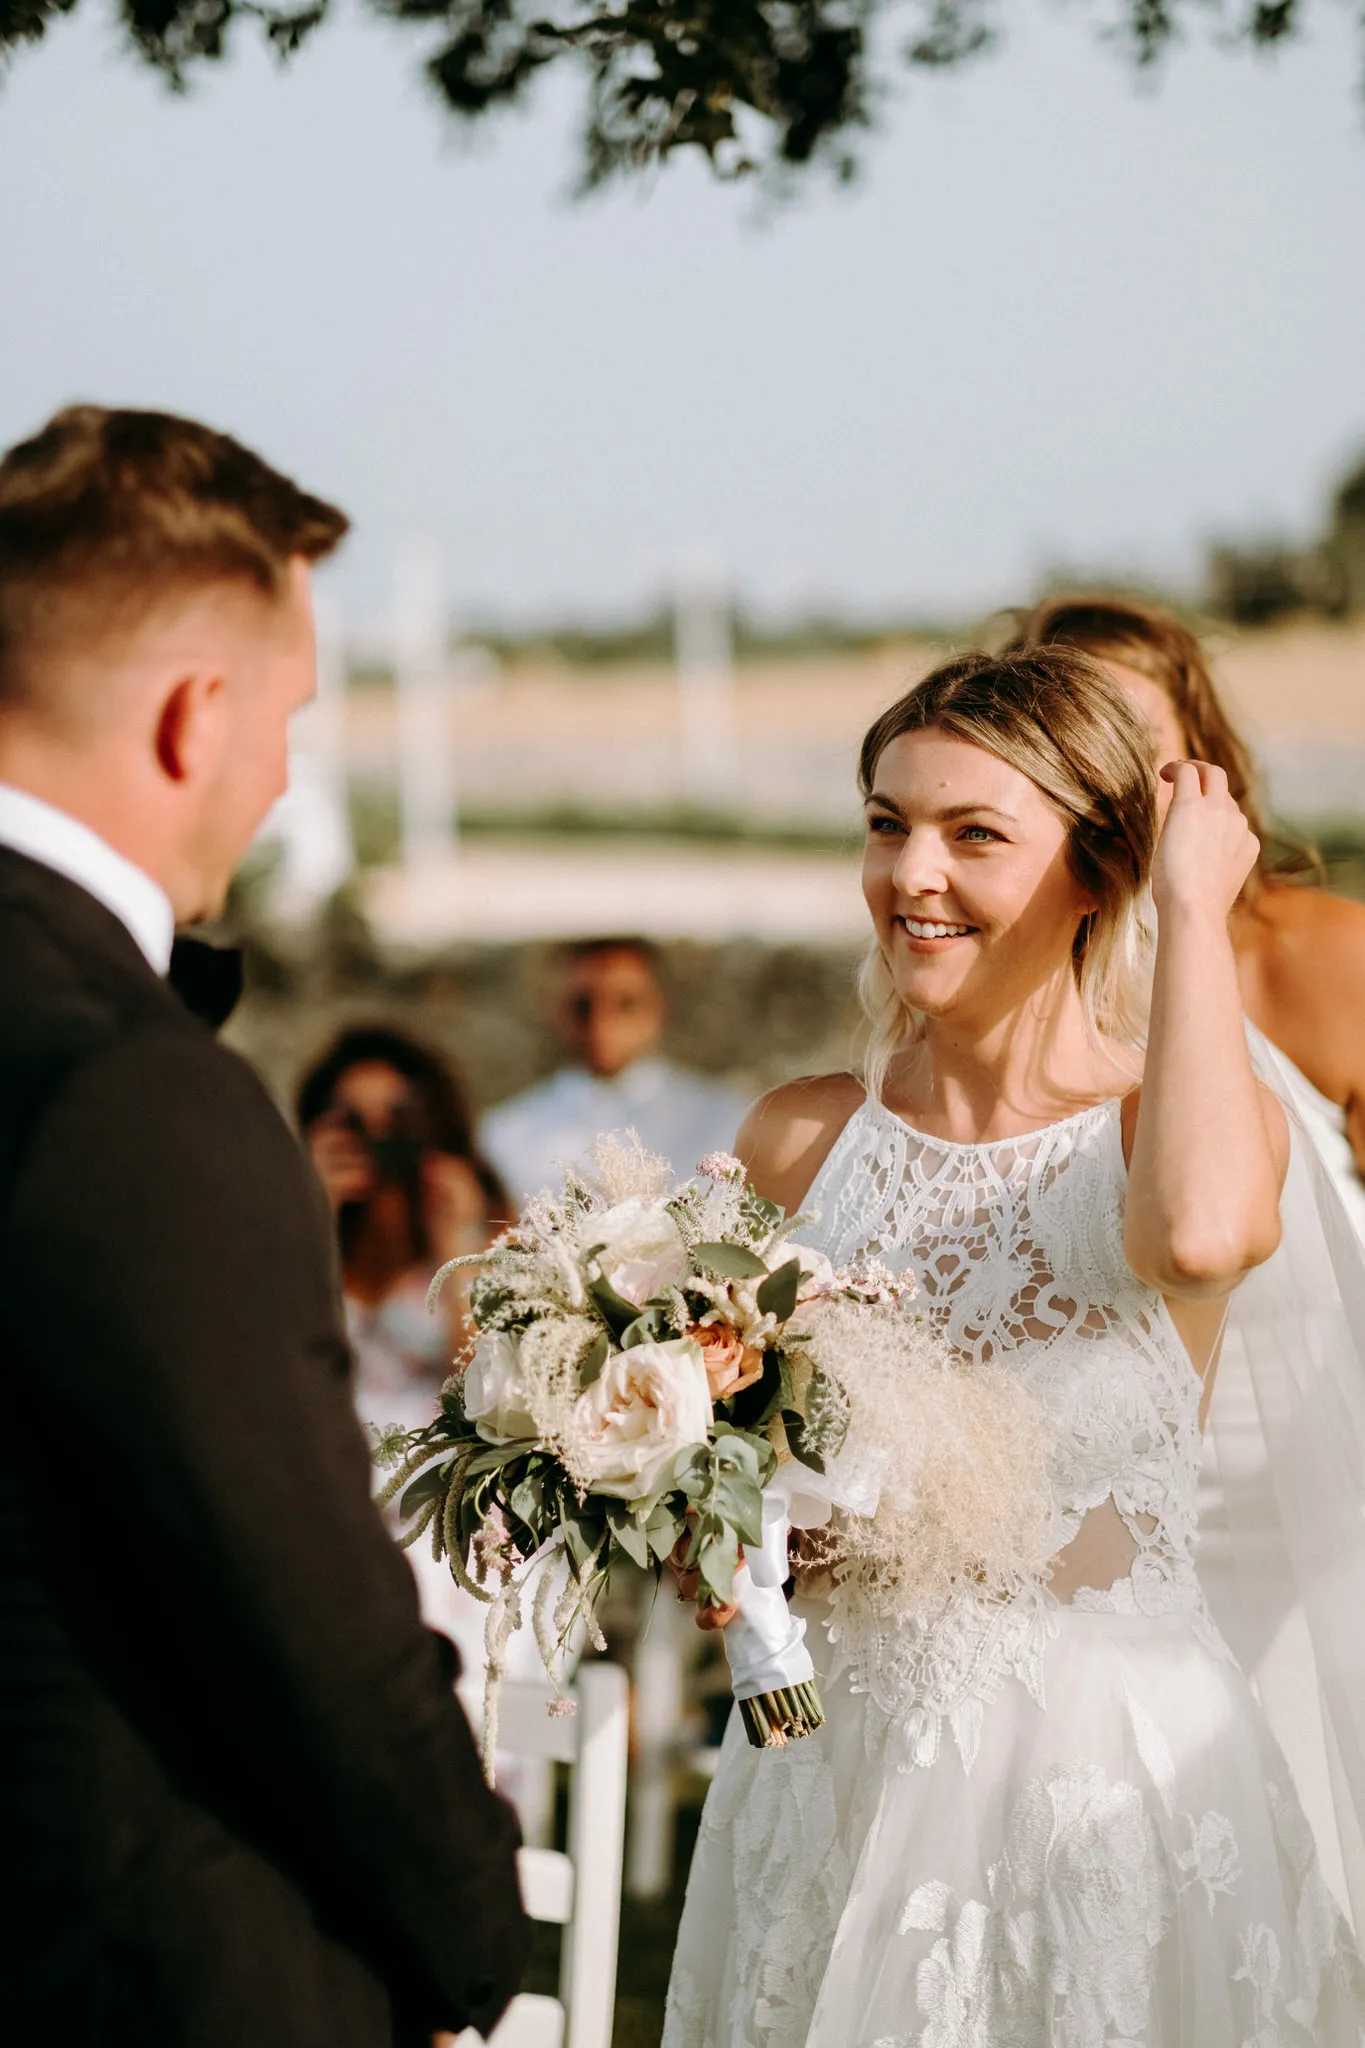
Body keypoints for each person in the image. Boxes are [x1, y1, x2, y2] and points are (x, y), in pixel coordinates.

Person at [664, 649, 1365, 2047]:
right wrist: (713, 1531)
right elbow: (721, 1469)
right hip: (826, 1774)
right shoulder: (798, 1140)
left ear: (1095, 872)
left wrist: (1187, 902)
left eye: (974, 834)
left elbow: (1202, 1239)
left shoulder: (1163, 1134)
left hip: (1098, 1786)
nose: (909, 874)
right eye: (885, 823)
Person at [0, 406, 528, 2047]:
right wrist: (473, 1943)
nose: (286, 767)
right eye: (288, 714)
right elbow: (313, 1623)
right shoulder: (140, 1094)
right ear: (192, 715)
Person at [1007, 593, 1365, 1233]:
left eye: (1133, 744)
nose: (1104, 782)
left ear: (1205, 750)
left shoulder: (1332, 952)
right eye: (1065, 749)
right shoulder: (998, 979)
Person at [298, 1024, 513, 1433]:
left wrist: (459, 1252)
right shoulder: (299, 1224)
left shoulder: (482, 1219)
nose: (378, 1137)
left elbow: (491, 1392)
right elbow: (279, 1361)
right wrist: (309, 1211)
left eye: (398, 1119)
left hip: (437, 1472)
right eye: (353, 1122)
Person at [481, 935, 745, 1203]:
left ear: (660, 1007)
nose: (602, 1023)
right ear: (554, 1007)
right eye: (583, 1006)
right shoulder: (504, 1134)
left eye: (626, 1003)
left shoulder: (724, 1121)